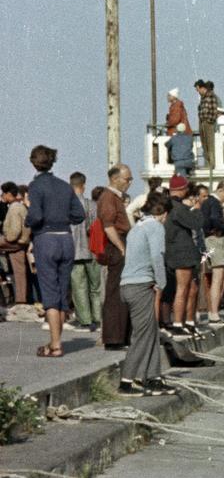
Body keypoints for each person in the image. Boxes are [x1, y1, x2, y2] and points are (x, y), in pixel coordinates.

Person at [25, 145, 84, 357]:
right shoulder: (64, 186)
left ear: (33, 162)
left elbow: (36, 216)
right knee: (61, 291)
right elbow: (79, 215)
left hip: (46, 239)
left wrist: (28, 218)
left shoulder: (35, 186)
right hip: (66, 239)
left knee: (49, 291)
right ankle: (56, 341)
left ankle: (55, 344)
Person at [120, 193, 174, 394]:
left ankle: (152, 377)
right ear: (164, 213)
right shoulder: (156, 227)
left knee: (151, 331)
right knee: (142, 334)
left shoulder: (137, 227)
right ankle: (126, 381)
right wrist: (162, 282)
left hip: (128, 284)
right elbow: (157, 256)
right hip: (141, 284)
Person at [97, 163, 133, 348]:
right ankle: (113, 338)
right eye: (127, 179)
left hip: (121, 243)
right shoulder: (109, 198)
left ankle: (122, 336)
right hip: (117, 244)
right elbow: (108, 225)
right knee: (115, 293)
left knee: (122, 292)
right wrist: (121, 247)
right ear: (114, 179)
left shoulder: (116, 198)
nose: (130, 183)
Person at [165, 175, 202, 335]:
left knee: (189, 288)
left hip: (177, 252)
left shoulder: (171, 206)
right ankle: (179, 323)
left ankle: (186, 321)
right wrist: (197, 208)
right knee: (183, 288)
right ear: (181, 189)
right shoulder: (178, 208)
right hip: (182, 254)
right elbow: (196, 223)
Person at [69, 171, 102, 331]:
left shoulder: (65, 206)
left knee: (79, 287)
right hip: (92, 251)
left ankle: (85, 320)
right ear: (84, 185)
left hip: (74, 251)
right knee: (95, 287)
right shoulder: (93, 205)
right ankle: (98, 318)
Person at [196, 181, 224, 322]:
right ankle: (214, 312)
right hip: (215, 239)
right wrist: (219, 227)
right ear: (222, 191)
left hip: (212, 238)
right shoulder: (213, 203)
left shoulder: (208, 203)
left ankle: (213, 310)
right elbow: (211, 219)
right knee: (218, 278)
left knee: (221, 278)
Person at [0, 178, 30, 303]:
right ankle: (21, 300)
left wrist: (7, 238)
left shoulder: (13, 208)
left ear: (8, 194)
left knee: (19, 272)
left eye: (3, 193)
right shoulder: (20, 206)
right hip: (23, 242)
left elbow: (15, 230)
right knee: (20, 272)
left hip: (15, 242)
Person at [194, 78, 220, 170]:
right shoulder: (203, 98)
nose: (198, 92)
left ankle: (211, 164)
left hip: (208, 123)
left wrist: (210, 120)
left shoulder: (211, 96)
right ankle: (207, 163)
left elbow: (214, 110)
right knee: (204, 144)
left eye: (198, 90)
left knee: (209, 144)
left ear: (201, 88)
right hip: (202, 122)